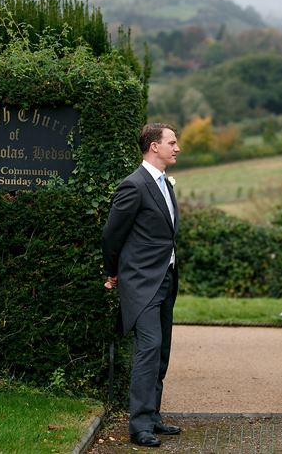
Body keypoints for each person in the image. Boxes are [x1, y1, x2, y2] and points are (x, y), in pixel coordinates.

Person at [102, 123, 182, 448]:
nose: (177, 148)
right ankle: (139, 427)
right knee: (148, 348)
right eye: (172, 143)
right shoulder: (134, 185)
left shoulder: (165, 184)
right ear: (154, 147)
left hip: (166, 278)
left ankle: (153, 416)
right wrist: (112, 272)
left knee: (161, 351)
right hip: (141, 282)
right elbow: (111, 234)